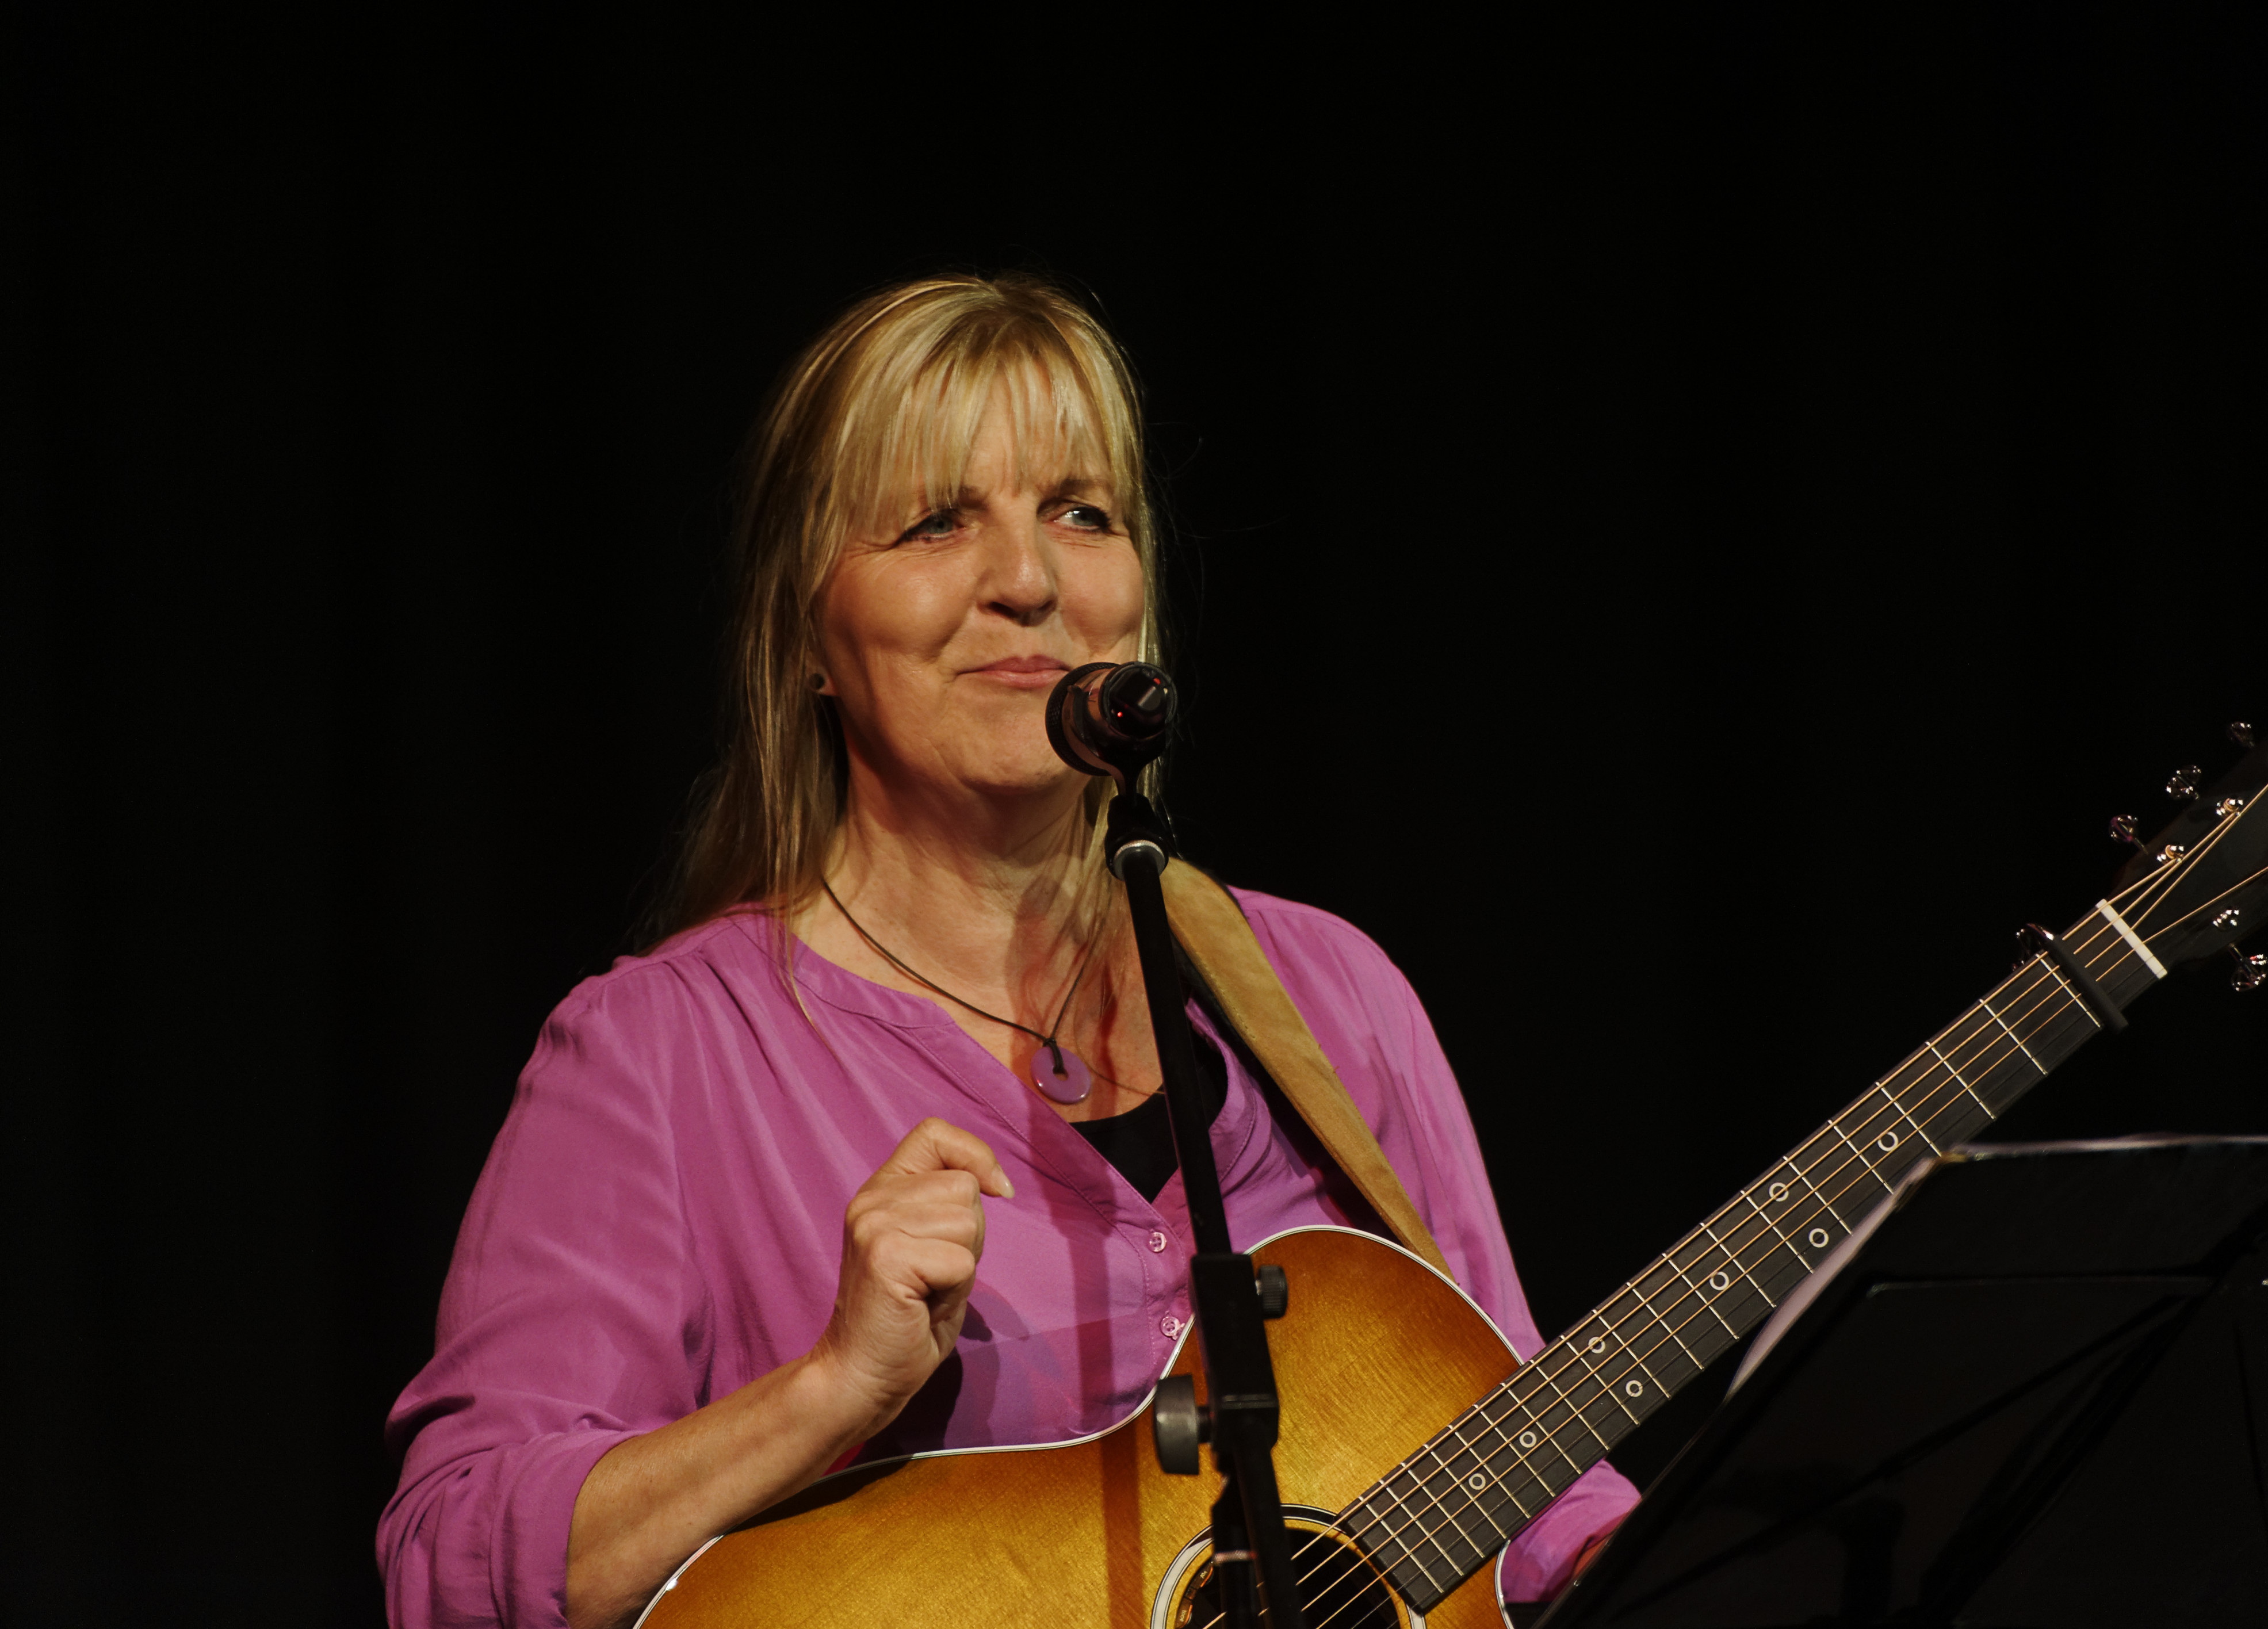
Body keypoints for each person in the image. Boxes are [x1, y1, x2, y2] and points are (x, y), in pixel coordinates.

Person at [378, 274, 1635, 1628]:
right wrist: (827, 1392)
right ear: (807, 639)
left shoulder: (1331, 995)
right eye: (935, 522)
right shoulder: (659, 1056)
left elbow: (1539, 1490)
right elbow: (451, 1559)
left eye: (1081, 514)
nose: (1027, 582)